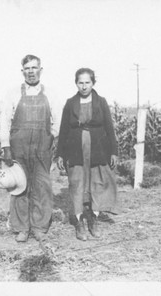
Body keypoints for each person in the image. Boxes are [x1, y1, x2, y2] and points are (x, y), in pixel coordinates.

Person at [0, 54, 61, 243]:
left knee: (42, 187)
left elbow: (58, 121)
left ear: (40, 70)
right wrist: (6, 146)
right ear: (22, 71)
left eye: (34, 68)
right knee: (19, 187)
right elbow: (4, 121)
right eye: (27, 68)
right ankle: (21, 228)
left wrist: (53, 142)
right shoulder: (12, 93)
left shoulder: (51, 93)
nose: (31, 72)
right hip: (19, 147)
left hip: (43, 147)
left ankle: (40, 227)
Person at [56, 68, 119, 241]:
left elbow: (109, 127)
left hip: (98, 147)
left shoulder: (101, 102)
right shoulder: (70, 103)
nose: (84, 86)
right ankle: (79, 223)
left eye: (87, 82)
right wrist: (60, 154)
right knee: (77, 184)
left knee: (97, 183)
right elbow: (63, 130)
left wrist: (114, 151)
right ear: (76, 83)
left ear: (93, 83)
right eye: (80, 83)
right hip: (75, 148)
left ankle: (93, 219)